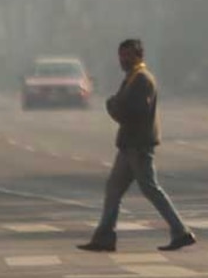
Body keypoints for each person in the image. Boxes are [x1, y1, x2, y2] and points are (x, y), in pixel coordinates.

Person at [78, 39, 196, 252]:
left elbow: (131, 111)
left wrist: (112, 105)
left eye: (128, 55)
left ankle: (181, 231)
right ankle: (104, 237)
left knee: (151, 189)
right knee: (114, 189)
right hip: (129, 145)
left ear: (139, 56)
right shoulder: (132, 78)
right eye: (121, 55)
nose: (123, 60)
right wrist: (116, 104)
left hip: (138, 145)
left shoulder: (142, 79)